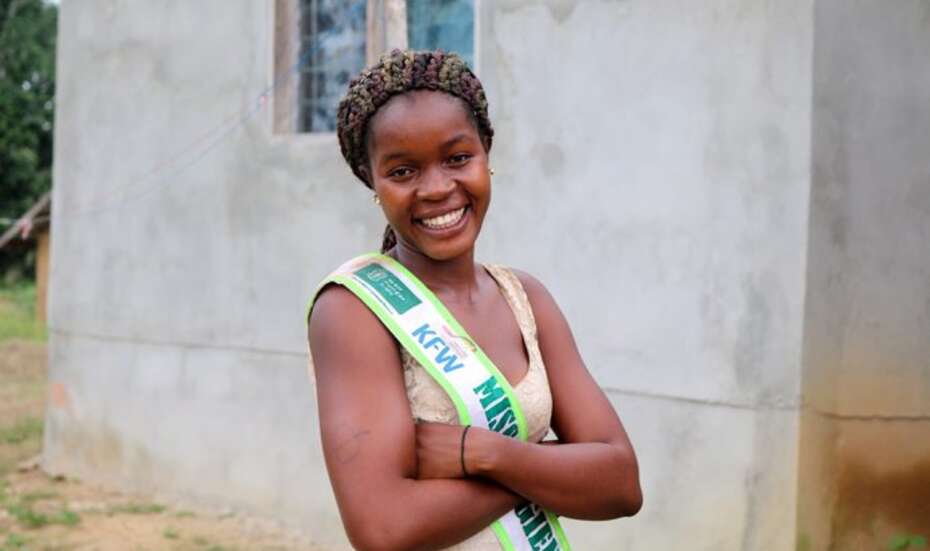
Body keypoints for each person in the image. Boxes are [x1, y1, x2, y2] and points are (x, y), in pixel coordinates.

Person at [307, 49, 642, 551]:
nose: (437, 188)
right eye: (403, 171)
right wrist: (549, 467)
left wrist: (483, 453)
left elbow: (620, 484)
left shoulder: (525, 298)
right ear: (370, 179)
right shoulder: (354, 311)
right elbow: (384, 529)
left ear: (486, 152)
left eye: (458, 158)